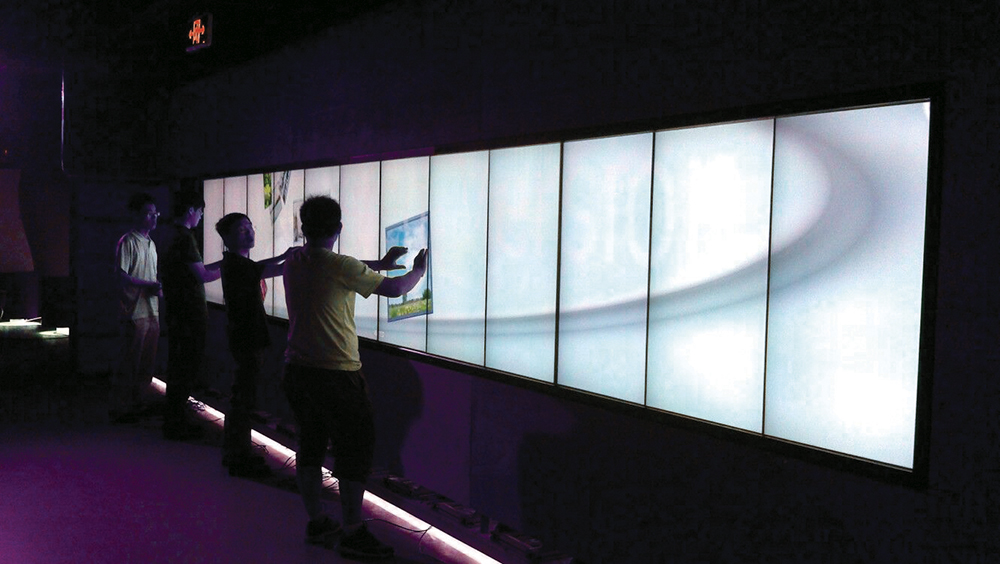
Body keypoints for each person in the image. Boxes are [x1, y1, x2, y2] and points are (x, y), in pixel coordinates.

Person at [282, 195, 427, 559]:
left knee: (310, 447)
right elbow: (395, 289)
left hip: (297, 371)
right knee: (353, 453)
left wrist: (379, 264)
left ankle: (317, 522)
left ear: (304, 227)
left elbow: (334, 265)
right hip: (337, 375)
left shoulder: (294, 259)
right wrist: (418, 271)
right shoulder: (340, 266)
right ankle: (351, 532)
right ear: (339, 228)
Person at [215, 212, 296, 478]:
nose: (249, 232)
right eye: (242, 229)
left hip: (245, 336)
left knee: (243, 395)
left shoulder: (236, 264)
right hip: (247, 337)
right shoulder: (236, 265)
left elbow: (264, 268)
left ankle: (235, 451)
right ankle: (238, 455)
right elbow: (266, 269)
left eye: (250, 227)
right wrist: (289, 257)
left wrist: (285, 258)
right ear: (227, 238)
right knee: (244, 397)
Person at [159, 191, 222, 440]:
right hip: (189, 313)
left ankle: (174, 418)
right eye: (201, 212)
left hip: (177, 310)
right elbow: (202, 275)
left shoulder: (169, 234)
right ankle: (176, 423)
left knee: (178, 365)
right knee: (186, 366)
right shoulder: (185, 238)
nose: (201, 216)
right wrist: (229, 267)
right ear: (191, 211)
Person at [109, 192, 162, 424]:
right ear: (137, 215)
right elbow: (121, 276)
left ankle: (139, 403)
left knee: (146, 363)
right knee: (130, 361)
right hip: (134, 311)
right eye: (149, 213)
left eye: (156, 213)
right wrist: (148, 285)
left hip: (152, 310)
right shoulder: (128, 241)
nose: (154, 217)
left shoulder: (152, 244)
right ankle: (122, 407)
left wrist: (155, 287)